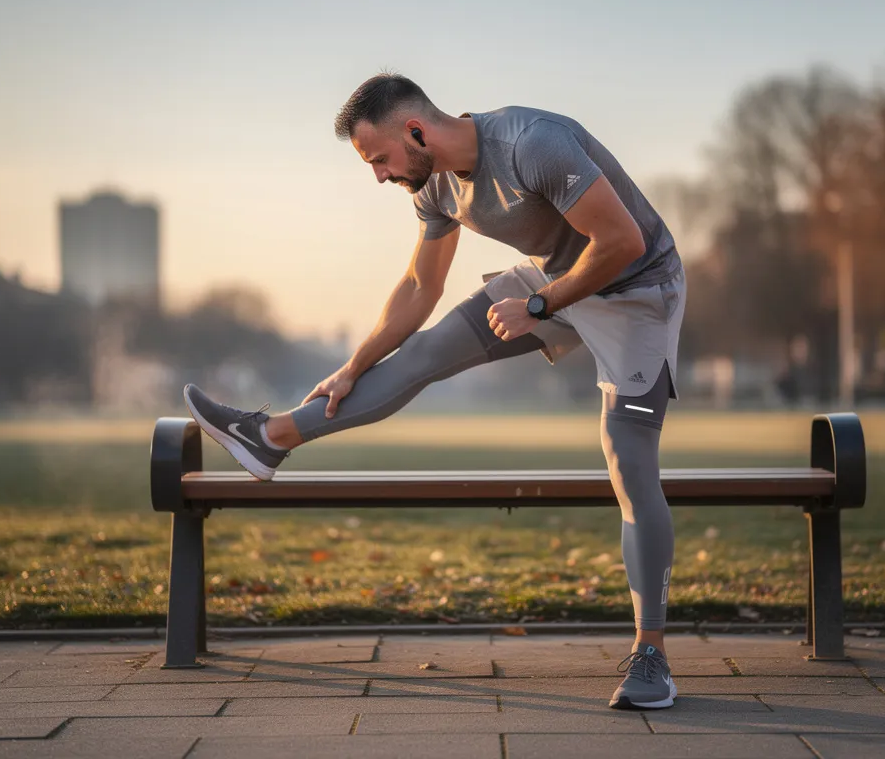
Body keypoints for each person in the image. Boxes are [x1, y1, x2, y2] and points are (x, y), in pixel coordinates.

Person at [182, 73, 686, 710]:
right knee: (421, 354)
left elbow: (622, 242)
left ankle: (652, 657)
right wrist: (353, 363)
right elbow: (421, 287)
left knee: (629, 460)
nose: (380, 177)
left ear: (415, 131)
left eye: (380, 159)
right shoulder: (437, 186)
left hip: (638, 288)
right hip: (555, 280)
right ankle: (270, 437)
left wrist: (538, 304)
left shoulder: (534, 143)